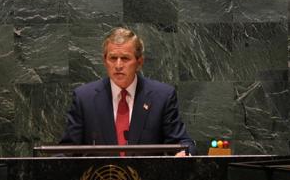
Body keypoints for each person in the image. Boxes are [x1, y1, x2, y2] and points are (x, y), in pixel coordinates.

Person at [60, 27, 196, 156]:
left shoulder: (162, 97)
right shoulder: (84, 98)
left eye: (125, 58)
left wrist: (184, 153)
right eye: (113, 58)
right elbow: (67, 150)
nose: (118, 65)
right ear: (105, 61)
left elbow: (183, 143)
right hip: (101, 179)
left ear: (139, 62)